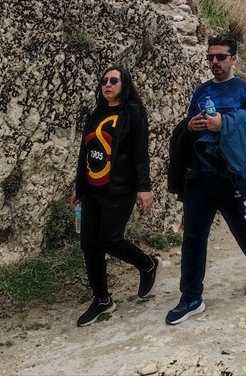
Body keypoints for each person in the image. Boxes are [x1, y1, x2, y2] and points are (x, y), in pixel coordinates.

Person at [165, 35, 246, 325]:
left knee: (240, 227)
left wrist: (223, 123)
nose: (215, 62)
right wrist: (190, 125)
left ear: (233, 58)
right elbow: (188, 124)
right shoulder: (200, 91)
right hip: (198, 175)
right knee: (193, 237)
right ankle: (190, 298)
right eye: (210, 57)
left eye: (221, 57)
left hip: (230, 175)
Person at [71, 66, 159, 327]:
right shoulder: (96, 114)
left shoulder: (132, 112)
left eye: (114, 81)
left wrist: (144, 186)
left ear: (124, 84)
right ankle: (102, 299)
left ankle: (147, 265)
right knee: (89, 243)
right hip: (92, 189)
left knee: (109, 239)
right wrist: (79, 186)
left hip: (120, 188)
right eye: (104, 81)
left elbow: (140, 152)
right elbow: (84, 153)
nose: (107, 85)